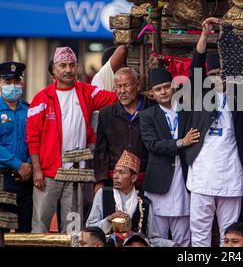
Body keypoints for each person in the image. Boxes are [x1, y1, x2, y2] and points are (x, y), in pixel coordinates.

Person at [184, 17, 243, 246]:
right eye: (213, 72)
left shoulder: (241, 94)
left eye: (222, 71)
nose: (218, 75)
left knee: (230, 232)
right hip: (202, 173)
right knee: (200, 231)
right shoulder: (198, 95)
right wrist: (204, 35)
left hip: (231, 172)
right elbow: (196, 64)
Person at [26, 47, 117, 233]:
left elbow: (118, 97)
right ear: (53, 69)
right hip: (48, 173)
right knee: (40, 225)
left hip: (76, 173)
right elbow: (32, 137)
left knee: (73, 228)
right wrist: (37, 170)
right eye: (63, 65)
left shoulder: (87, 92)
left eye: (72, 65)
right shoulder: (41, 98)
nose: (68, 69)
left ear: (77, 68)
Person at [140, 68, 200, 247]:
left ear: (174, 87)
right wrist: (181, 142)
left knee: (183, 238)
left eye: (166, 87)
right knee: (157, 239)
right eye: (158, 89)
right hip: (159, 182)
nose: (163, 92)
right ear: (151, 94)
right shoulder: (147, 116)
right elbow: (152, 144)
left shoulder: (187, 111)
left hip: (184, 180)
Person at [86, 150, 177, 247]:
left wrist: (172, 245)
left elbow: (152, 239)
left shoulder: (145, 202)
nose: (115, 176)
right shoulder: (103, 194)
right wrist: (109, 220)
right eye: (115, 172)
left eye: (121, 172)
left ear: (133, 178)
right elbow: (90, 229)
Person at [93, 67, 151, 193]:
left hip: (146, 178)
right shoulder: (106, 114)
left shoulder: (152, 109)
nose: (122, 91)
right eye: (118, 87)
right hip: (114, 180)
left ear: (138, 85)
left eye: (126, 85)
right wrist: (100, 181)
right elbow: (100, 151)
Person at [0, 62, 32, 232]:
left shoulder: (29, 109)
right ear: (0, 83)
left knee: (26, 231)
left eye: (16, 81)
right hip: (3, 180)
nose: (12, 85)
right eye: (7, 82)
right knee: (2, 231)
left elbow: (35, 140)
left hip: (26, 179)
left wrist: (28, 165)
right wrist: (18, 165)